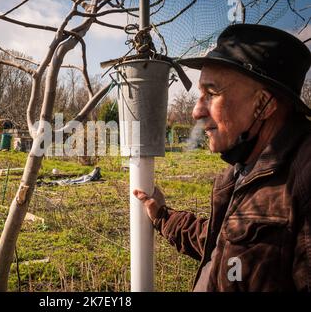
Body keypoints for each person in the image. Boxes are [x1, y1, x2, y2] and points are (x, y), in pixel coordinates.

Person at [133, 24, 311, 291]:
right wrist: (162, 216)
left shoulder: (304, 176)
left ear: (263, 104)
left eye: (212, 93)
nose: (196, 112)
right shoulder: (245, 168)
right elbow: (223, 241)